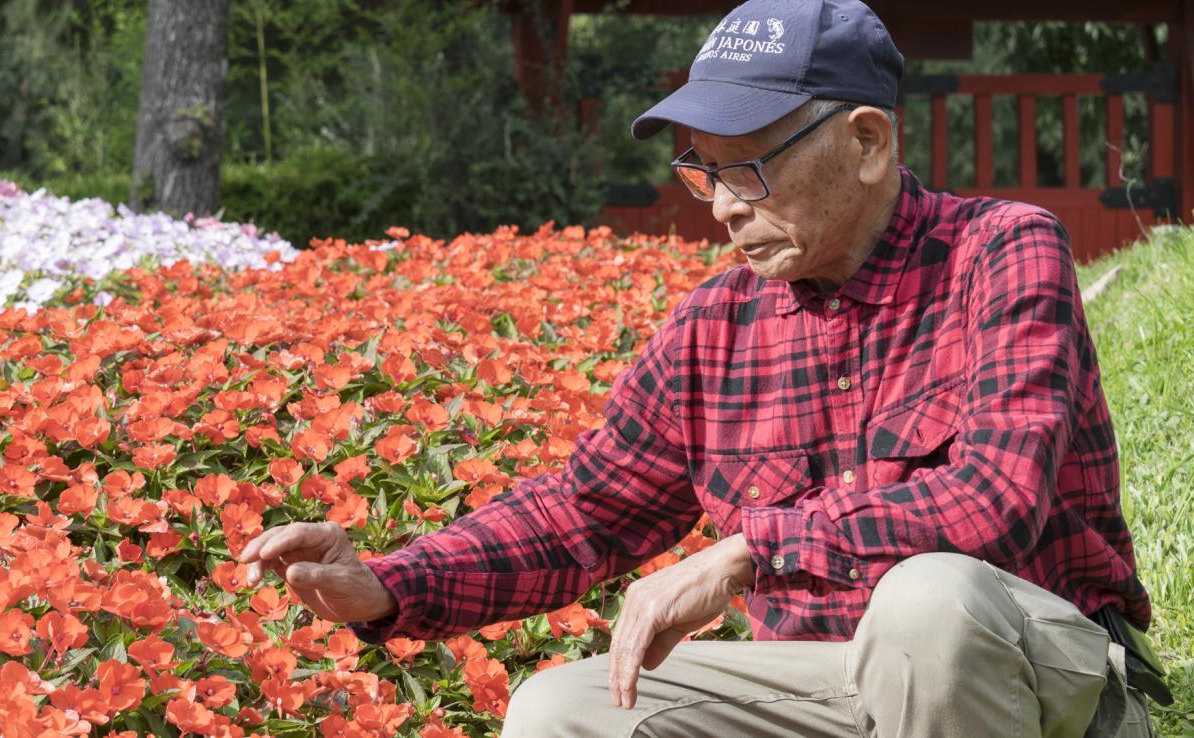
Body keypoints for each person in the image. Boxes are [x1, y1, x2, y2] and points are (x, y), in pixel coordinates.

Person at [237, 1, 1164, 734]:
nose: (718, 207)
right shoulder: (714, 325)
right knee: (557, 713)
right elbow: (582, 514)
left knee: (928, 598)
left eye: (747, 170)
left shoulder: (1000, 252)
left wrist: (750, 550)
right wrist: (393, 583)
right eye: (702, 171)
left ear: (868, 143)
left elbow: (993, 498)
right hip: (830, 681)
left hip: (1029, 675)